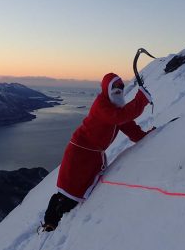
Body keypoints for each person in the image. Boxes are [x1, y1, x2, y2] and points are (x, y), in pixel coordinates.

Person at [40, 72, 153, 232]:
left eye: (121, 86)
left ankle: (55, 219)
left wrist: (144, 136)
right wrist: (141, 100)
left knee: (77, 190)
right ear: (106, 88)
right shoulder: (102, 105)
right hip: (79, 153)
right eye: (114, 86)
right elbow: (119, 117)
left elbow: (127, 124)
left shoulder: (116, 108)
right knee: (70, 191)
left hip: (90, 155)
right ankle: (51, 223)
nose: (118, 89)